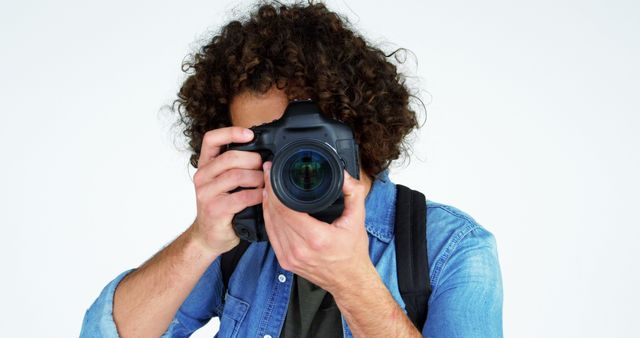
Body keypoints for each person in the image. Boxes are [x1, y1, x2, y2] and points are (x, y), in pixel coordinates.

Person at [80, 2, 503, 337]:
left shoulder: (450, 247)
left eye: (304, 141)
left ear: (354, 126)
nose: (294, 164)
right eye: (268, 143)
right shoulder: (240, 237)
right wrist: (201, 240)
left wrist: (354, 282)